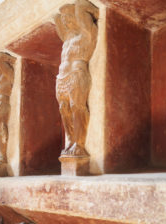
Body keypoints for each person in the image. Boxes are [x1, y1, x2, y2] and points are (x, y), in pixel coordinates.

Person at [54, 0, 98, 156]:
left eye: (68, 17)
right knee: (63, 109)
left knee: (76, 107)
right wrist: (59, 14)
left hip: (77, 73)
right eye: (64, 19)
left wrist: (79, 8)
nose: (65, 21)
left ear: (77, 18)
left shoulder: (85, 34)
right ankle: (71, 140)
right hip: (62, 78)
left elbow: (82, 9)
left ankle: (79, 144)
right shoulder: (66, 40)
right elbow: (57, 21)